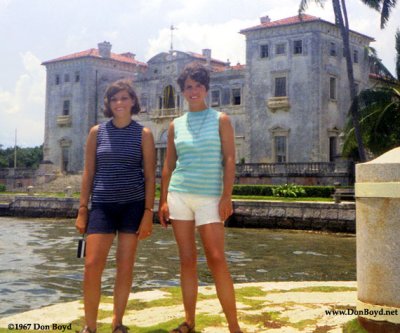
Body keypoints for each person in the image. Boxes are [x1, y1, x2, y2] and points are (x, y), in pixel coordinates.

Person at [159, 63, 243, 333]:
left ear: (205, 88)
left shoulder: (221, 120)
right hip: (179, 195)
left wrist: (226, 196)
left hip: (209, 196)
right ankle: (189, 322)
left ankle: (234, 327)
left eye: (197, 86)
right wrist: (163, 199)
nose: (193, 91)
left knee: (217, 257)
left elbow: (230, 160)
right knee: (187, 259)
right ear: (183, 92)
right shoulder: (175, 125)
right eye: (188, 87)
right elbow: (169, 165)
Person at [75, 79, 156, 333]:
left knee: (125, 266)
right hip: (102, 206)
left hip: (133, 206)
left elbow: (150, 176)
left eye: (124, 98)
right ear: (108, 104)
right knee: (91, 265)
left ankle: (117, 322)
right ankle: (90, 326)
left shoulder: (144, 134)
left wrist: (147, 213)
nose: (119, 103)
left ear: (133, 101)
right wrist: (82, 209)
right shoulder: (96, 132)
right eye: (114, 99)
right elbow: (88, 172)